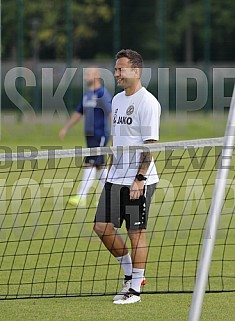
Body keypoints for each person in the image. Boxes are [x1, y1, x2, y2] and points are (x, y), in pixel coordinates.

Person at [93, 49, 161, 304]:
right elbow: (117, 140)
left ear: (136, 71)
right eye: (116, 69)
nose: (116, 74)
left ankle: (134, 289)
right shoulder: (117, 100)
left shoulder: (148, 103)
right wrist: (111, 170)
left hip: (138, 181)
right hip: (115, 178)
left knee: (136, 233)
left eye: (121, 69)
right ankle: (130, 273)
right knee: (101, 228)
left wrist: (139, 179)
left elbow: (150, 145)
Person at [59, 67, 112, 207]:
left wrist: (116, 133)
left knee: (89, 163)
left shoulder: (103, 94)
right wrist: (66, 128)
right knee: (100, 166)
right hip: (89, 136)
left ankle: (81, 197)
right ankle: (109, 196)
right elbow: (78, 113)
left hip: (100, 135)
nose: (85, 77)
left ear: (97, 76)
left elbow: (111, 113)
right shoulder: (87, 95)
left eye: (88, 74)